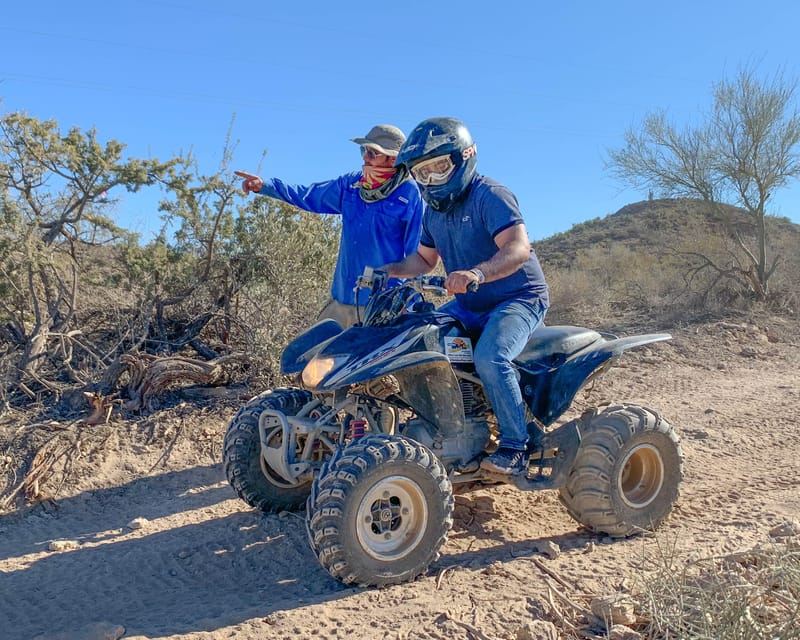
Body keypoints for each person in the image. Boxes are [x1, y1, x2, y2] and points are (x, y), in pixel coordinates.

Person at [380, 117, 550, 475]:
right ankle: (449, 429)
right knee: (418, 337)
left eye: (439, 168)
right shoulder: (434, 213)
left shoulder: (491, 196)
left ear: (463, 158)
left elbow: (518, 249)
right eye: (422, 173)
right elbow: (425, 260)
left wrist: (477, 273)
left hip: (517, 298)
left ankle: (515, 447)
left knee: (491, 356)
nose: (430, 180)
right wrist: (390, 270)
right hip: (471, 303)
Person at [236, 124, 423, 328]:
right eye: (364, 151)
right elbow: (309, 195)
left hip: (383, 308)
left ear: (393, 159)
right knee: (312, 357)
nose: (365, 158)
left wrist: (408, 304)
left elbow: (418, 257)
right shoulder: (351, 185)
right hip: (341, 303)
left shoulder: (410, 195)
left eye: (373, 153)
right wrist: (266, 186)